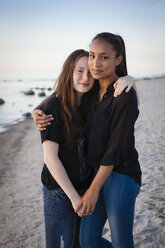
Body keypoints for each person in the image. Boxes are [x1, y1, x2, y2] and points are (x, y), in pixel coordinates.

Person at [74, 32, 142, 248]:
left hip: (121, 174)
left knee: (121, 241)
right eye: (92, 56)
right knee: (88, 241)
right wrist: (38, 110)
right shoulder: (90, 91)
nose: (95, 63)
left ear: (118, 59)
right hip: (96, 172)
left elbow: (115, 149)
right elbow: (62, 95)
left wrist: (93, 191)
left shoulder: (124, 94)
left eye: (104, 57)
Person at [39, 49, 95, 248]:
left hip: (84, 188)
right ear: (69, 72)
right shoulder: (53, 107)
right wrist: (74, 198)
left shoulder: (92, 103)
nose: (85, 77)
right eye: (79, 71)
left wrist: (129, 79)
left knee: (79, 244)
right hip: (59, 191)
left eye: (89, 72)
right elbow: (50, 159)